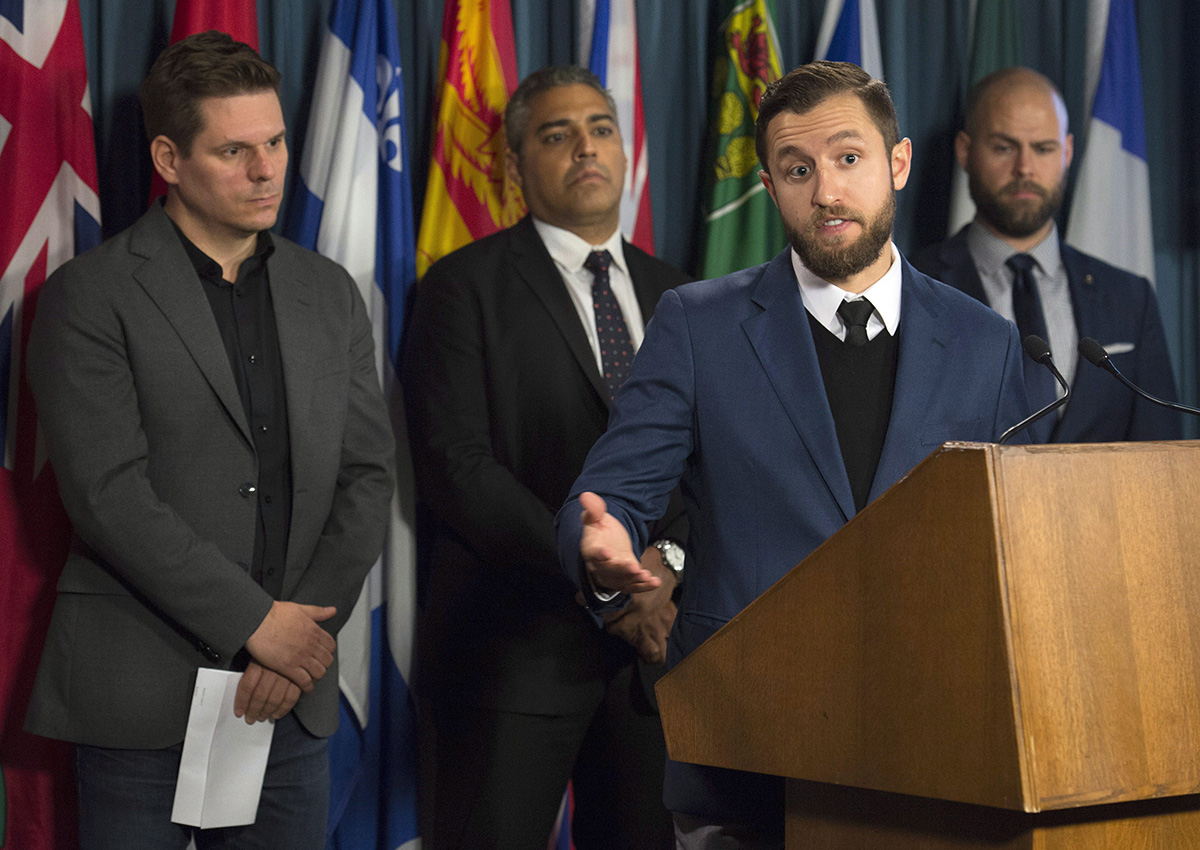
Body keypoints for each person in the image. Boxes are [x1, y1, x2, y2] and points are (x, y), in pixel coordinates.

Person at [556, 61, 1030, 848]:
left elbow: (1021, 546)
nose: (827, 191)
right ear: (771, 188)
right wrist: (597, 541)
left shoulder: (987, 341)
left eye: (849, 160)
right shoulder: (698, 325)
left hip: (936, 756)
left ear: (899, 164)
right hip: (747, 755)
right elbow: (608, 494)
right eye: (797, 169)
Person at [23, 31, 395, 849]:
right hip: (141, 688)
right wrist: (255, 622)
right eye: (234, 151)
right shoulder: (90, 296)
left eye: (274, 143)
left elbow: (367, 477)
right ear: (168, 157)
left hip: (290, 696)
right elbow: (107, 493)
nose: (267, 171)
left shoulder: (327, 292)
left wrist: (297, 645)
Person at [403, 66, 689, 849]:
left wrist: (661, 565)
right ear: (514, 166)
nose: (585, 148)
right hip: (510, 660)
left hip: (651, 668)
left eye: (600, 128)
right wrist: (599, 574)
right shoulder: (461, 287)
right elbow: (458, 469)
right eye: (556, 135)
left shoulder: (681, 296)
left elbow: (710, 466)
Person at [911, 66, 1180, 443]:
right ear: (965, 152)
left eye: (1043, 148)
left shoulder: (1130, 299)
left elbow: (1161, 454)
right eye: (1004, 147)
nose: (1025, 168)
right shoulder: (912, 288)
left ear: (1066, 152)